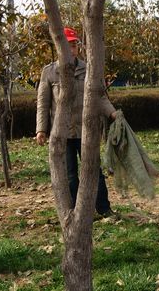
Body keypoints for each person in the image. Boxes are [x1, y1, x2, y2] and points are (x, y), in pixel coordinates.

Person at [36, 27, 117, 217]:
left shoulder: (88, 69)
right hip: (62, 133)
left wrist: (113, 113)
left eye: (74, 45)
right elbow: (43, 103)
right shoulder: (49, 72)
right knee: (70, 175)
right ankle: (74, 213)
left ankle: (104, 209)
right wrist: (41, 129)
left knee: (94, 171)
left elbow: (100, 96)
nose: (71, 49)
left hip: (86, 130)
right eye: (67, 45)